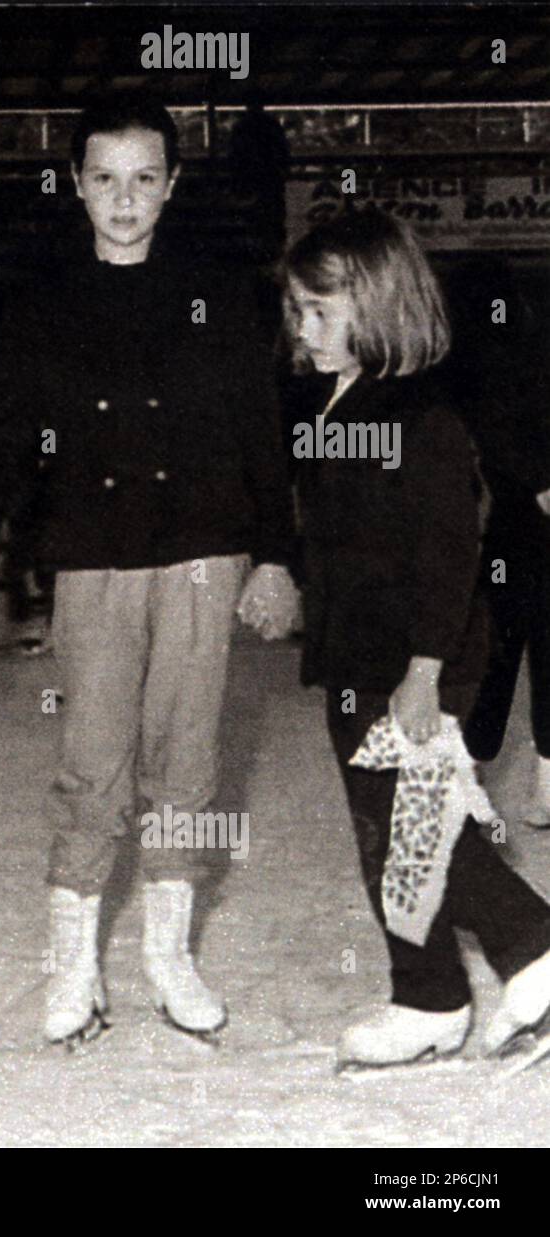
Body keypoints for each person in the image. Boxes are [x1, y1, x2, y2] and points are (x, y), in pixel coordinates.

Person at [0, 94, 299, 1047]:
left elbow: (261, 438)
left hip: (204, 552)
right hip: (95, 559)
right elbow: (5, 442)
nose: (125, 199)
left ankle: (169, 953)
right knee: (93, 766)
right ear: (77, 184)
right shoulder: (40, 304)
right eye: (105, 179)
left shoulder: (220, 293)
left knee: (188, 766)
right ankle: (71, 959)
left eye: (145, 179)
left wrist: (276, 554)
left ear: (172, 184)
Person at [284, 209, 550, 1069]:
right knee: (386, 833)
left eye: (322, 310)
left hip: (416, 662)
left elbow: (448, 552)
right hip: (358, 659)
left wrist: (426, 670)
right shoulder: (334, 402)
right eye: (297, 309)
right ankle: (429, 994)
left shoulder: (421, 417)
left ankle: (535, 948)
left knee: (420, 830)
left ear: (381, 303)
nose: (304, 328)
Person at [442, 257, 550, 827]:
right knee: (500, 645)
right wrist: (538, 482)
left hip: (518, 515)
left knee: (515, 645)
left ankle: (539, 777)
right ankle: (471, 766)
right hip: (513, 521)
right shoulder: (492, 345)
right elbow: (494, 423)